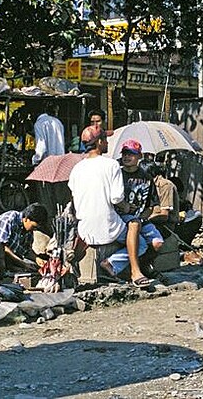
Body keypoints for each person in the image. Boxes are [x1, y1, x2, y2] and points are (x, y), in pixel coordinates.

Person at [68, 123, 151, 288]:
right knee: (137, 230)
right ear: (99, 142)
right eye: (105, 140)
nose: (107, 143)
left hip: (84, 229)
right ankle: (134, 271)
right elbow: (116, 199)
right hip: (106, 227)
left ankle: (111, 266)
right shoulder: (111, 165)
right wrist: (127, 207)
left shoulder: (76, 169)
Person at [116, 139, 164, 252]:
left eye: (131, 154)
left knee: (158, 243)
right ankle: (114, 262)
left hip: (140, 218)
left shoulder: (146, 177)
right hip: (119, 219)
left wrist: (142, 218)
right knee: (138, 241)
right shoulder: (117, 174)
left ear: (139, 156)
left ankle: (144, 264)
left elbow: (151, 205)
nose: (127, 157)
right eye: (124, 153)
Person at [0, 203, 48, 277]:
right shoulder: (9, 218)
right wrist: (22, 263)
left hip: (7, 260)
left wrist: (37, 259)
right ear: (26, 219)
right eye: (34, 227)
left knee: (30, 268)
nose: (34, 230)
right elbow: (1, 246)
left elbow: (26, 251)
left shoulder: (28, 231)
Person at [140, 160, 180, 237]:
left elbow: (164, 215)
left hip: (164, 226)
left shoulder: (165, 185)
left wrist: (143, 220)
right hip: (149, 221)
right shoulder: (147, 184)